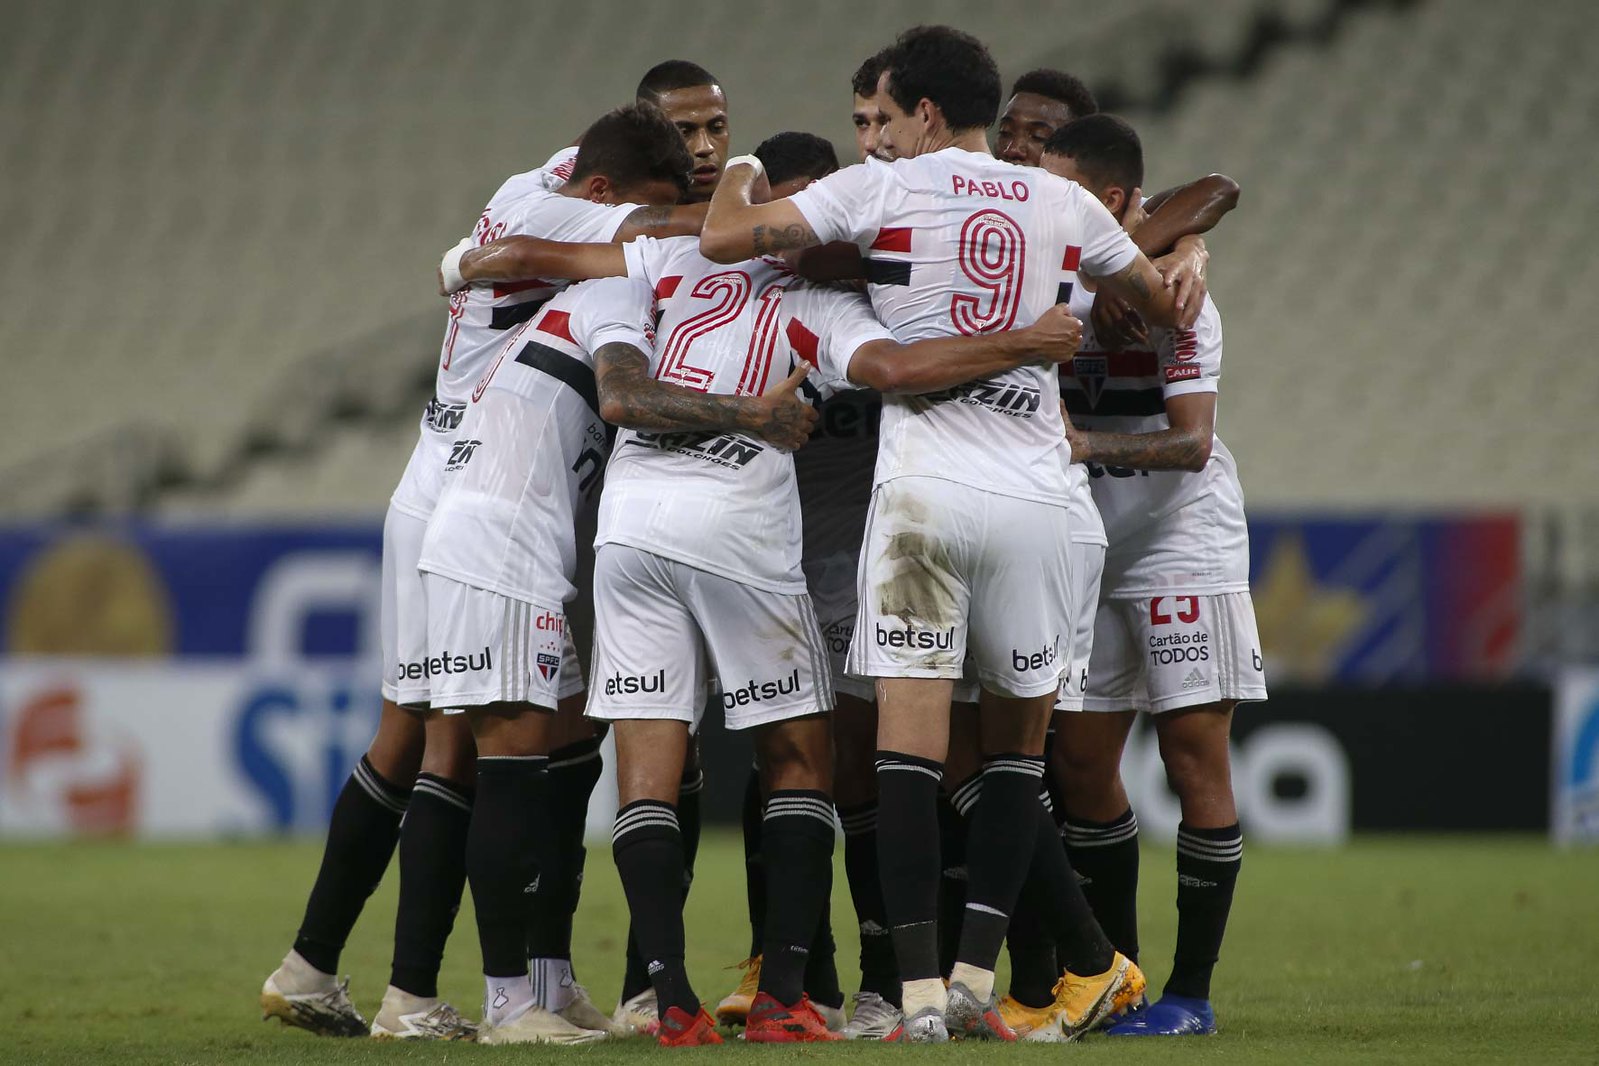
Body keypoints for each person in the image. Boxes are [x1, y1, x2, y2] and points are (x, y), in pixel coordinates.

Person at [700, 24, 1188, 1042]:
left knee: (909, 750)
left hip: (927, 489)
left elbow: (722, 238)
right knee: (1016, 754)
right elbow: (1155, 296)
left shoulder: (880, 188)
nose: (878, 137)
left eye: (886, 116)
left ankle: (918, 994)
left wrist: (741, 164)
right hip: (1038, 496)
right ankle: (976, 968)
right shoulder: (1056, 197)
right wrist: (1185, 257)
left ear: (922, 113)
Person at [261, 99, 708, 1042]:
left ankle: (323, 967)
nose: (707, 150)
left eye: (717, 131)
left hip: (442, 479)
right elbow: (665, 241)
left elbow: (489, 256)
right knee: (468, 749)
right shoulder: (603, 235)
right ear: (607, 185)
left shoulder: (524, 188)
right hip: (489, 497)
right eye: (692, 134)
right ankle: (457, 993)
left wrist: (460, 261)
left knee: (445, 742)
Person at [1043, 113, 1267, 1038]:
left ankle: (1193, 992)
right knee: (1082, 763)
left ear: (1103, 203)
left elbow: (1190, 440)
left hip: (1182, 539)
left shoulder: (1181, 299)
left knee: (1192, 756)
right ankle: (1118, 982)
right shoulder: (1047, 286)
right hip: (1086, 545)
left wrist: (1075, 443)